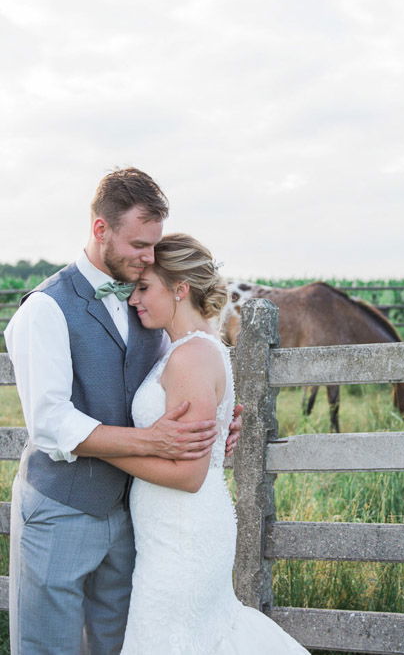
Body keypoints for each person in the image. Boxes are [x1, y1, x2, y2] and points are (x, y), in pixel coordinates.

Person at [4, 168, 242, 654]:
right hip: (61, 511)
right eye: (138, 244)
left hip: (137, 520)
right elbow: (51, 423)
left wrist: (217, 420)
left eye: (153, 245)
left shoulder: (149, 301)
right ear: (100, 230)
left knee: (119, 646)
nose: (149, 257)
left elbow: (176, 379)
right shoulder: (45, 309)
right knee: (49, 647)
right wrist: (153, 442)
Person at [101, 232, 308, 654]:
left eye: (144, 288)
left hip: (184, 536)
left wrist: (103, 448)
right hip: (173, 530)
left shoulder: (191, 356)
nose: (134, 299)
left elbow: (189, 475)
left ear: (180, 289)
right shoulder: (183, 349)